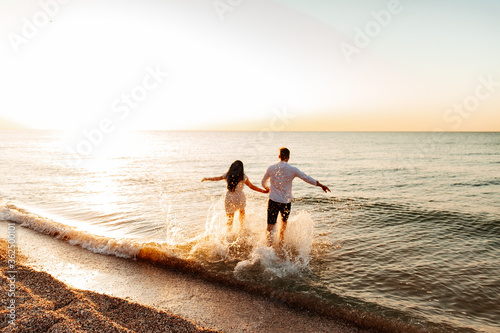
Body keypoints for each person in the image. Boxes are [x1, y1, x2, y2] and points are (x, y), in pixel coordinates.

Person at [262, 148, 330, 247]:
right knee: (284, 223)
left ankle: (268, 246)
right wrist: (320, 185)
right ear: (288, 157)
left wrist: (266, 188)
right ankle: (281, 244)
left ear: (279, 156)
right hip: (286, 202)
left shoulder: (271, 168)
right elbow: (306, 178)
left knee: (270, 225)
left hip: (273, 200)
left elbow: (263, 182)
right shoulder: (293, 169)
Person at [202, 160, 269, 231]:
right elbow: (251, 186)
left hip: (229, 197)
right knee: (242, 215)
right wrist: (263, 191)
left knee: (230, 219)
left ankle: (228, 234)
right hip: (239, 197)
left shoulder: (227, 175)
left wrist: (207, 178)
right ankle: (242, 231)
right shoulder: (243, 176)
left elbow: (217, 178)